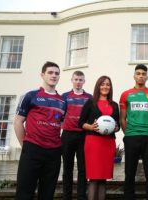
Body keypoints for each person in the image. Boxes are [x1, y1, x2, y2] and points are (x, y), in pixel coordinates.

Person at [14, 61, 66, 200]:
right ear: (42, 75)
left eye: (56, 73)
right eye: (50, 72)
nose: (54, 75)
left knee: (47, 194)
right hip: (32, 150)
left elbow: (60, 124)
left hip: (54, 153)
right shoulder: (30, 96)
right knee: (24, 193)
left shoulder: (62, 101)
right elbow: (18, 122)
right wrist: (25, 146)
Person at [120, 64, 148, 200]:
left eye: (143, 73)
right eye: (138, 73)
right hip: (131, 137)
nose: (141, 76)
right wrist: (129, 133)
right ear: (134, 76)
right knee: (129, 172)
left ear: (147, 77)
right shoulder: (126, 94)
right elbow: (122, 119)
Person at [78, 75, 120, 200]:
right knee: (94, 178)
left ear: (110, 87)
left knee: (103, 179)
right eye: (102, 84)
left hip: (108, 143)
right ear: (98, 86)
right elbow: (80, 123)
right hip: (94, 142)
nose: (105, 86)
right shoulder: (90, 103)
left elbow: (117, 126)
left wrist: (116, 127)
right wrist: (91, 127)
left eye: (108, 84)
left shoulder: (114, 105)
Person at [61, 71, 92, 200]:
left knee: (82, 168)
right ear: (72, 80)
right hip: (67, 135)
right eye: (76, 79)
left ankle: (81, 196)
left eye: (80, 80)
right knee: (67, 167)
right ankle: (66, 196)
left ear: (84, 81)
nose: (78, 82)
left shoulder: (89, 97)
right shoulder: (64, 96)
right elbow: (60, 114)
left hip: (83, 135)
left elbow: (91, 116)